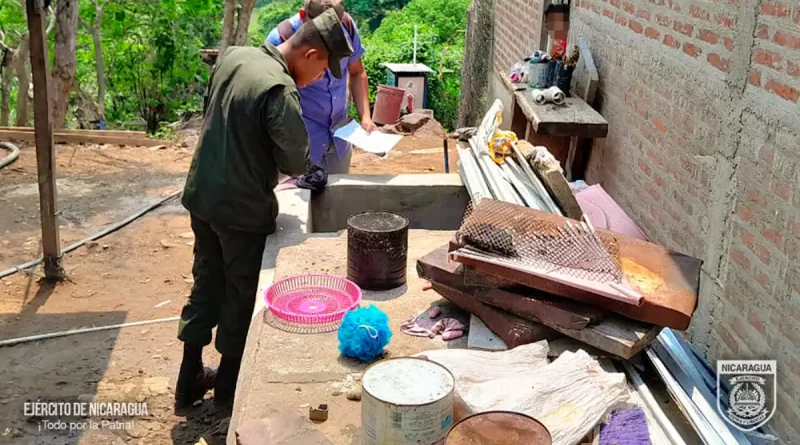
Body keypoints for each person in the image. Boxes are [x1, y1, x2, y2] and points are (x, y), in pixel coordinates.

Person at [174, 8, 354, 413]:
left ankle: (188, 381)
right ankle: (225, 392)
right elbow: (293, 161)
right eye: (324, 68)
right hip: (241, 210)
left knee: (206, 281)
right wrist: (310, 169)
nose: (322, 78)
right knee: (240, 293)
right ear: (310, 54)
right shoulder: (280, 90)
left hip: (202, 195)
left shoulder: (235, 56)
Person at [265, 0, 376, 174]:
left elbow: (357, 73)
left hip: (340, 138)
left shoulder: (347, 27)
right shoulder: (280, 40)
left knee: (337, 198)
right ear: (303, 16)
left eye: (334, 29)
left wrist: (366, 117)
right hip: (300, 146)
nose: (329, 38)